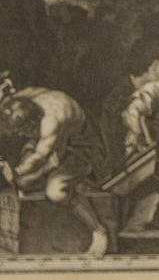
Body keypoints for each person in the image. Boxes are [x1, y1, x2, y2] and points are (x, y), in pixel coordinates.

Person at [0, 82, 111, 256]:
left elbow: (40, 158)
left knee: (56, 191)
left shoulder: (52, 121)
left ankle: (98, 230)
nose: (20, 135)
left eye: (22, 131)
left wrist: (15, 172)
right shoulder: (25, 99)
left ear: (32, 124)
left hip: (81, 147)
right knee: (22, 182)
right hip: (54, 144)